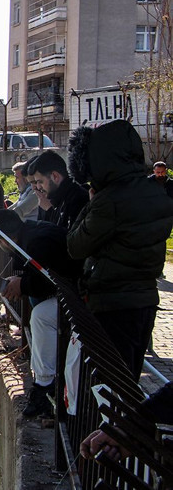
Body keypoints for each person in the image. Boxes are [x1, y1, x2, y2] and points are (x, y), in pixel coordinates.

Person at [67, 119, 173, 380]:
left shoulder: (110, 201)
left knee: (107, 385)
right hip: (145, 299)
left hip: (111, 304)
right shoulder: (155, 191)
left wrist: (90, 204)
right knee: (128, 380)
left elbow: (76, 245)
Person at [0, 209, 83, 417]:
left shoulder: (37, 241)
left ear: (6, 237)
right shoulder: (32, 234)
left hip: (82, 297)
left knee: (41, 316)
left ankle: (44, 387)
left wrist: (22, 284)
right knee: (39, 313)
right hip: (73, 292)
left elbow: (48, 280)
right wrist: (22, 283)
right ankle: (44, 380)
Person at [26, 150, 88, 230]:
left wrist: (49, 210)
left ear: (55, 176)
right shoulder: (60, 198)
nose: (38, 187)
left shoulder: (78, 200)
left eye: (40, 182)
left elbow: (63, 238)